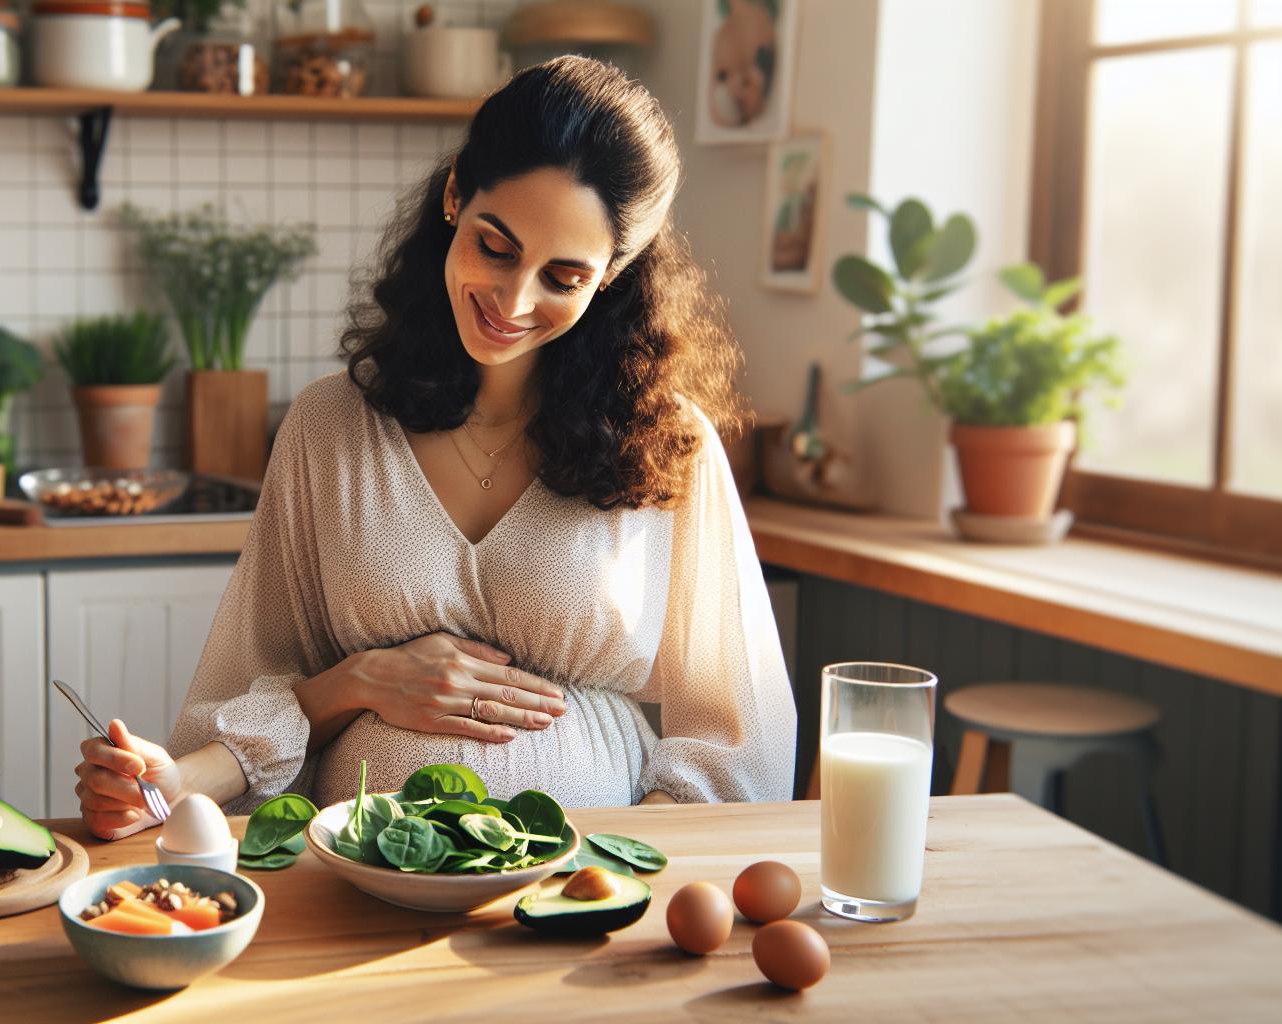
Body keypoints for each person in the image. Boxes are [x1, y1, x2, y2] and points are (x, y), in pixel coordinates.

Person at [75, 56, 796, 841]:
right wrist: (170, 781)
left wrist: (604, 871)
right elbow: (261, 693)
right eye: (496, 246)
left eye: (563, 276)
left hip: (577, 906)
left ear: (611, 276)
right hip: (352, 886)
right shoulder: (330, 429)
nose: (514, 301)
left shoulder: (668, 445)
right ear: (456, 195)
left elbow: (733, 742)